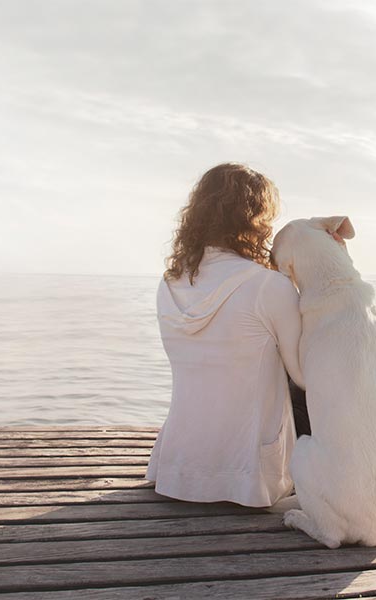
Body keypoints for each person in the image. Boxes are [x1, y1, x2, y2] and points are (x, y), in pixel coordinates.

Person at [145, 163, 306, 508]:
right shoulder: (270, 285)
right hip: (250, 477)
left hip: (177, 470)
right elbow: (304, 377)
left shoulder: (168, 282)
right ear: (255, 220)